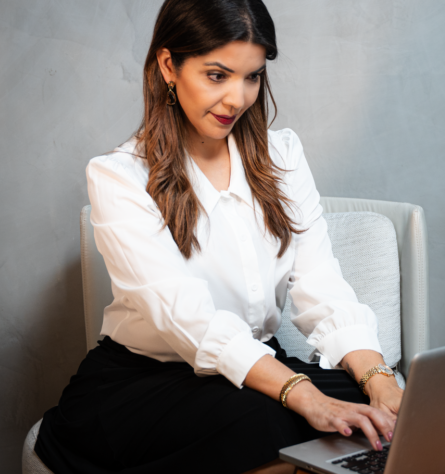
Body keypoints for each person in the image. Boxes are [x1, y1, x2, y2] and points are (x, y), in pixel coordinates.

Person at [33, 1, 403, 473]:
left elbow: (321, 285)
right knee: (266, 422)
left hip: (256, 369)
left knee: (365, 413)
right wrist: (301, 393)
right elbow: (187, 318)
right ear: (169, 65)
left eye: (251, 77)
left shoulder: (282, 155)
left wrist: (380, 379)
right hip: (147, 381)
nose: (237, 98)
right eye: (217, 75)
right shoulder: (119, 176)